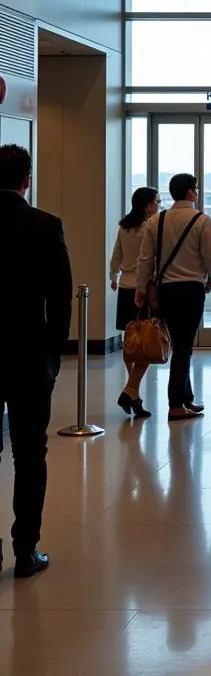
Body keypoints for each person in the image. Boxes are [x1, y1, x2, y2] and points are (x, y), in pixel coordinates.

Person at [0, 144, 72, 578]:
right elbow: (59, 297)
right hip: (27, 355)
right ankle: (25, 550)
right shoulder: (44, 226)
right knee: (30, 454)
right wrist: (53, 354)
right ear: (27, 179)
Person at [136, 173, 211, 423]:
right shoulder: (201, 220)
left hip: (165, 291)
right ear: (191, 192)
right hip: (191, 290)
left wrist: (142, 289)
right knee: (184, 347)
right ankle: (175, 404)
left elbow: (145, 259)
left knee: (180, 345)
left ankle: (186, 398)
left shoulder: (156, 221)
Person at [110, 186, 161, 418]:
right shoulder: (150, 227)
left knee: (130, 339)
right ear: (148, 204)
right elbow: (150, 259)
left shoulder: (124, 226)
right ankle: (131, 388)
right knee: (148, 341)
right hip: (144, 287)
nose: (158, 205)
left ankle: (133, 390)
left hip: (125, 285)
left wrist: (113, 276)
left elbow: (116, 255)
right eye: (156, 201)